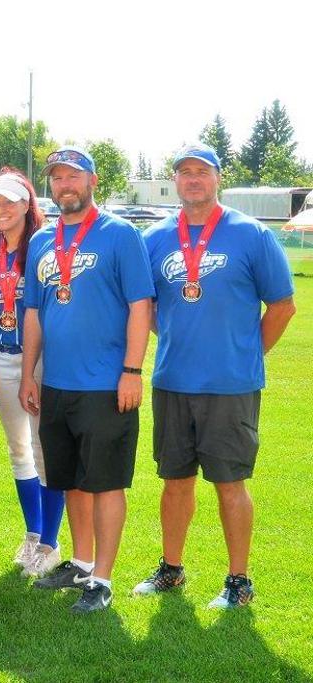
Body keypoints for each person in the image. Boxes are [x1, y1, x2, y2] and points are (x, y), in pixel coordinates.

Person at [132, 143, 295, 608]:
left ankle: (238, 580)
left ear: (217, 177)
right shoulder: (155, 238)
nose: (193, 179)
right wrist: (173, 334)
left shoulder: (251, 234)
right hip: (172, 381)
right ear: (175, 181)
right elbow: (146, 307)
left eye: (202, 171)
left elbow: (282, 306)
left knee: (230, 482)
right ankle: (172, 568)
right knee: (175, 480)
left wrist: (247, 353)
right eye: (184, 172)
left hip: (230, 385)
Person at [19, 145, 154, 613]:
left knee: (106, 482)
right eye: (57, 177)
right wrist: (29, 374)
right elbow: (33, 312)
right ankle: (80, 562)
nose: (65, 185)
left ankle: (103, 578)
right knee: (70, 479)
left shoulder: (120, 234)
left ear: (92, 181)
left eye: (73, 176)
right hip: (56, 382)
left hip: (106, 382)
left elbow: (140, 305)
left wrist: (132, 370)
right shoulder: (42, 240)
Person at [0, 169, 65, 578]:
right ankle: (33, 534)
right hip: (0, 354)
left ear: (27, 205)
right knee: (18, 450)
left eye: (10, 202)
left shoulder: (43, 244)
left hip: (40, 357)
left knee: (44, 449)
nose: (1, 210)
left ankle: (50, 542)